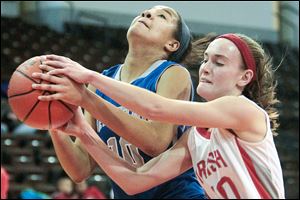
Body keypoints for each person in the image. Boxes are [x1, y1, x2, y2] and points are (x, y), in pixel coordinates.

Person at [33, 33, 285, 198]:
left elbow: (156, 109)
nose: (206, 68)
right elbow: (133, 181)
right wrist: (82, 131)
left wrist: (88, 77)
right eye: (206, 59)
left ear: (245, 77)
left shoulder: (243, 110)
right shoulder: (196, 137)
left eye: (219, 62)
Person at [33, 5, 207, 199]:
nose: (146, 14)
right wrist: (52, 118)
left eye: (162, 16)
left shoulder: (172, 74)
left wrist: (86, 99)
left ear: (172, 44)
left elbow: (155, 141)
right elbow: (80, 170)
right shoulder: (100, 83)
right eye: (146, 11)